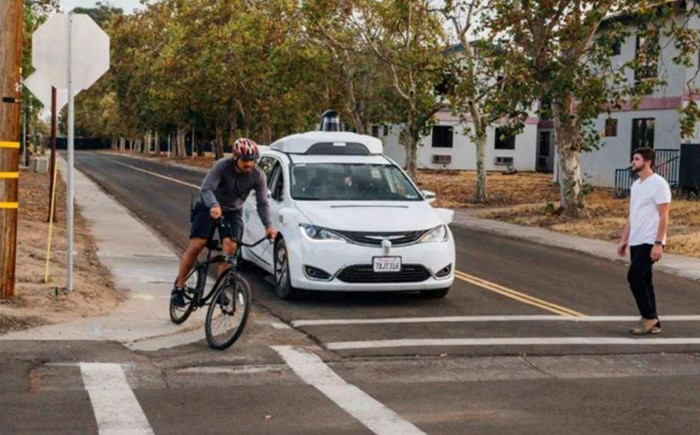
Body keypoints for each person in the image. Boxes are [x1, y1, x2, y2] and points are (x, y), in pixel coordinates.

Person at [171, 138, 277, 306]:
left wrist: (268, 226)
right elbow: (206, 188)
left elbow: (262, 203)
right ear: (235, 157)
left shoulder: (258, 176)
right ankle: (179, 287)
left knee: (230, 247)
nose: (249, 164)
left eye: (252, 160)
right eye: (245, 160)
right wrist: (213, 205)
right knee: (197, 245)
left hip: (233, 211)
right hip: (208, 206)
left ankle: (220, 290)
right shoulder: (222, 166)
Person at [617, 147, 671, 335]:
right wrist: (624, 239)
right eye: (633, 158)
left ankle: (648, 317)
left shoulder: (659, 184)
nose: (633, 162)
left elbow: (664, 216)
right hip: (636, 239)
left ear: (647, 162)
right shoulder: (636, 185)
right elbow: (633, 214)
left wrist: (658, 243)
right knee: (645, 279)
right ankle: (653, 321)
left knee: (634, 276)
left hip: (650, 239)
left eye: (637, 159)